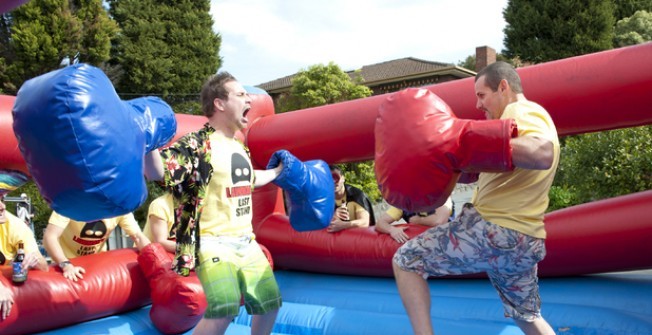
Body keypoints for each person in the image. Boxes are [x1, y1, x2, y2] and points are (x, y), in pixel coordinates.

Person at [392, 61, 559, 335]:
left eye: (482, 95)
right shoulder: (513, 128)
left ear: (503, 87)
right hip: (524, 242)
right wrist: (460, 164)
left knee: (406, 260)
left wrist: (466, 143)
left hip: (495, 231)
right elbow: (492, 166)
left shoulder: (521, 111)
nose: (479, 105)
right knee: (527, 317)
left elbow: (542, 153)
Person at [144, 72, 283, 335]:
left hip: (246, 241)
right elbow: (157, 172)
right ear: (219, 103)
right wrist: (147, 141)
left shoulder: (239, 147)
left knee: (270, 304)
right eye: (241, 95)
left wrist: (277, 172)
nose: (249, 100)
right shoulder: (198, 144)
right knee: (225, 308)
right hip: (213, 241)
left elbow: (251, 179)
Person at [43, 211, 148, 282]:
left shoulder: (119, 206)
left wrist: (156, 258)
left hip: (96, 262)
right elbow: (50, 237)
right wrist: (65, 265)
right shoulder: (68, 203)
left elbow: (138, 237)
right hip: (68, 262)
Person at [0, 191, 49, 320]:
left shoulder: (15, 225)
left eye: (1, 200)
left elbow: (44, 267)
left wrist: (34, 260)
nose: (2, 207)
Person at [375, 196, 453, 244]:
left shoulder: (442, 196)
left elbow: (439, 221)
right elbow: (380, 223)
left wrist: (418, 220)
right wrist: (391, 230)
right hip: (422, 245)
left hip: (450, 241)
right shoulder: (403, 203)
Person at [328, 165, 375, 233]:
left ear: (343, 178)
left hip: (360, 238)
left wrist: (343, 225)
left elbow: (365, 222)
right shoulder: (323, 199)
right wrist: (333, 216)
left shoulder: (356, 195)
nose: (334, 182)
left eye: (336, 177)